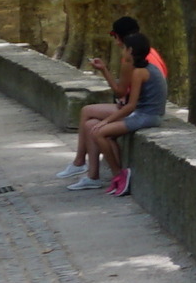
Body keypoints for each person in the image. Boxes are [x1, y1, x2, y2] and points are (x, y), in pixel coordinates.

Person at [66, 19, 167, 195]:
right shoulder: (143, 66)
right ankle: (107, 175)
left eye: (124, 48)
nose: (122, 51)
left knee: (98, 129)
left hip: (146, 115)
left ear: (130, 51)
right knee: (94, 128)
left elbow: (130, 105)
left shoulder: (138, 71)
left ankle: (119, 174)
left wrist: (106, 121)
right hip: (143, 112)